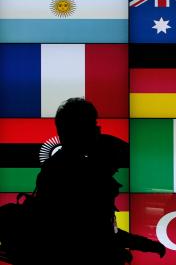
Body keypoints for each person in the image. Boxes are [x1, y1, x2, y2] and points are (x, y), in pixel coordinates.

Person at [18, 98, 164, 265]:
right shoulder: (75, 173)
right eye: (92, 124)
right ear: (79, 130)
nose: (97, 130)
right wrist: (132, 246)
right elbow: (89, 233)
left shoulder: (59, 168)